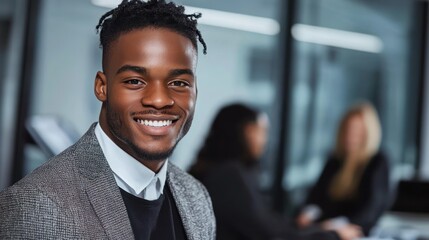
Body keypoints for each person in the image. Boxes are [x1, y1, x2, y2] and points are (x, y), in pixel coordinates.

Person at [0, 0, 215, 239]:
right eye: (135, 81)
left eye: (178, 83)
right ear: (102, 87)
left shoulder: (197, 197)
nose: (158, 100)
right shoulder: (35, 205)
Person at [189, 103, 362, 240]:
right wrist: (333, 235)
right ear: (248, 131)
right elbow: (269, 232)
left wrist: (313, 228)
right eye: (262, 131)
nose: (265, 140)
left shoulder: (213, 170)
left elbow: (266, 222)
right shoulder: (227, 175)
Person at [296, 102, 390, 236]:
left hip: (353, 229)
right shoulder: (336, 160)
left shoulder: (377, 162)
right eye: (348, 129)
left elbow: (372, 206)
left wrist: (342, 225)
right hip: (325, 225)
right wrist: (308, 213)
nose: (351, 135)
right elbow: (317, 196)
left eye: (357, 130)